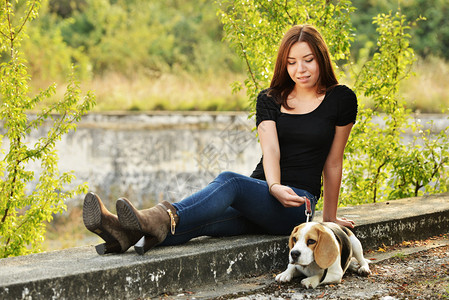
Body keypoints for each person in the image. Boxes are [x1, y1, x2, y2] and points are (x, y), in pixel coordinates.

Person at [82, 24, 358, 255]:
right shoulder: (270, 99)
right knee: (202, 223)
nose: (300, 69)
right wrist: (272, 186)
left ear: (321, 57)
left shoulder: (340, 99)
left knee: (231, 181)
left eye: (308, 60)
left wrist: (330, 217)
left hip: (298, 203)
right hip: (261, 194)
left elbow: (333, 162)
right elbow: (271, 151)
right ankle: (123, 234)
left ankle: (153, 216)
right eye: (291, 62)